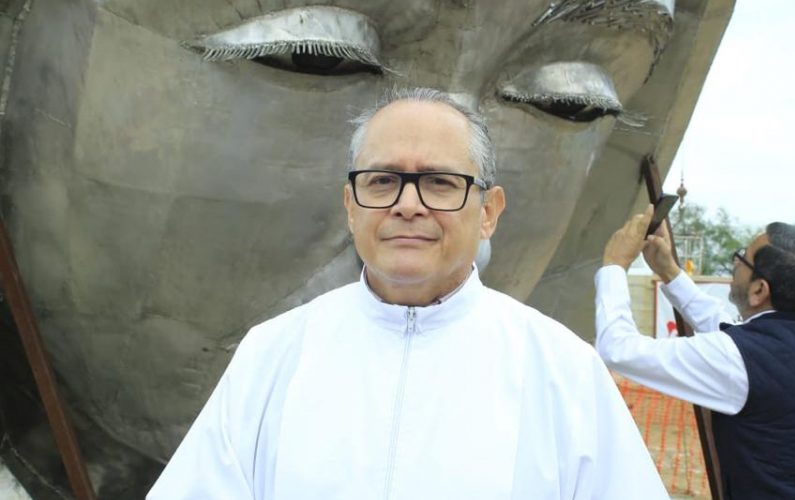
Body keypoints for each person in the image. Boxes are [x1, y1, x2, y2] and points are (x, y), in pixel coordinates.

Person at [147, 88, 668, 499]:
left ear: (488, 212)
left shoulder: (562, 370)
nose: (408, 205)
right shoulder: (273, 354)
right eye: (381, 181)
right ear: (351, 207)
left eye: (440, 182)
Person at [596, 205, 795, 499]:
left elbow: (619, 349)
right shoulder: (772, 343)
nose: (735, 263)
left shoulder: (742, 356)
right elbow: (727, 331)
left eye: (742, 257)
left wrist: (614, 266)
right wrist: (669, 271)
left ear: (759, 290)